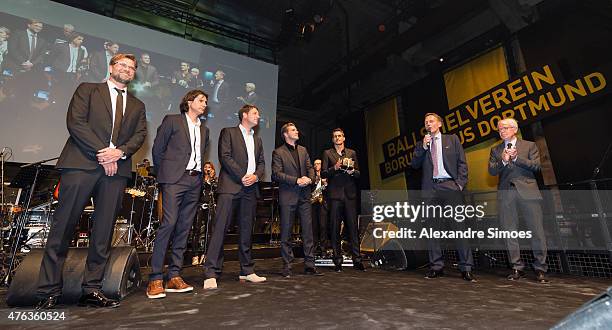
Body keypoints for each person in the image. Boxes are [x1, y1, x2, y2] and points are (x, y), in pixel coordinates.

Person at [36, 53, 147, 309]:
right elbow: (75, 123)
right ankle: (48, 290)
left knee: (103, 233)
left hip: (115, 170)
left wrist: (118, 153)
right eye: (122, 65)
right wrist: (103, 152)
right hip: (81, 165)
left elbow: (140, 135)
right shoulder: (87, 90)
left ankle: (92, 289)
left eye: (131, 68)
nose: (126, 70)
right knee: (63, 227)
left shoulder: (137, 105)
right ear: (111, 67)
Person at [147, 89, 210, 299]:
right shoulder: (172, 120)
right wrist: (163, 175)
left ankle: (174, 275)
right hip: (174, 179)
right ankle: (155, 278)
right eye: (201, 100)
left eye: (206, 102)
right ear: (189, 102)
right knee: (169, 223)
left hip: (195, 181)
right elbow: (158, 149)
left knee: (184, 227)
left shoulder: (204, 130)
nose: (204, 104)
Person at [203, 104, 266, 289]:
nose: (258, 116)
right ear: (244, 115)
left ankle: (247, 270)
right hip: (231, 186)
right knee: (220, 228)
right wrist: (242, 176)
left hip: (250, 189)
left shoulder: (258, 140)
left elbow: (261, 163)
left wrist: (256, 176)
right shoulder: (228, 132)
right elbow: (225, 157)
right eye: (255, 113)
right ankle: (211, 272)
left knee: (246, 231)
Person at [411, 112, 475, 282]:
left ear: (439, 124)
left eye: (431, 121)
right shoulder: (422, 144)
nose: (428, 124)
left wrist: (459, 184)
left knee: (459, 228)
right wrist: (423, 148)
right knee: (432, 229)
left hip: (450, 186)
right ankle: (436, 266)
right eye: (426, 122)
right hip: (431, 189)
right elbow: (414, 164)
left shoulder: (452, 139)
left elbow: (462, 163)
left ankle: (466, 268)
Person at [488, 118, 548, 283]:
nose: (502, 131)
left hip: (528, 192)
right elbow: (492, 171)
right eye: (500, 129)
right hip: (506, 193)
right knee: (510, 231)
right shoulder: (495, 150)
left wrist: (516, 159)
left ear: (514, 129)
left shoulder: (529, 145)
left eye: (505, 128)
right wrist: (503, 161)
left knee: (537, 231)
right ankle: (516, 267)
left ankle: (540, 269)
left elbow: (536, 166)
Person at [272, 123, 322, 277]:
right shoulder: (278, 152)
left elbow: (311, 168)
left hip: (304, 196)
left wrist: (310, 178)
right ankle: (287, 266)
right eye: (293, 130)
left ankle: (310, 265)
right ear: (286, 134)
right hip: (288, 196)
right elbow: (276, 174)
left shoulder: (303, 150)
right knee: (286, 232)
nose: (297, 131)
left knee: (308, 231)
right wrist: (296, 180)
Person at [321, 128, 365, 272]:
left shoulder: (352, 153)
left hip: (350, 195)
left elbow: (358, 173)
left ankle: (357, 260)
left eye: (340, 136)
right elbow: (323, 173)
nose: (337, 138)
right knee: (334, 228)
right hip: (334, 196)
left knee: (353, 227)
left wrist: (353, 172)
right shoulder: (328, 153)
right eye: (335, 136)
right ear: (333, 139)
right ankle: (337, 260)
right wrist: (335, 167)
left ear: (344, 138)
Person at [311, 159, 329, 255]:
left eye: (318, 163)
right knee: (314, 227)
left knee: (323, 226)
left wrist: (325, 184)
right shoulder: (312, 176)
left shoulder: (325, 175)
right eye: (315, 164)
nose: (316, 165)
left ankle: (323, 248)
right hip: (313, 203)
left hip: (322, 203)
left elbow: (328, 190)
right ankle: (313, 247)